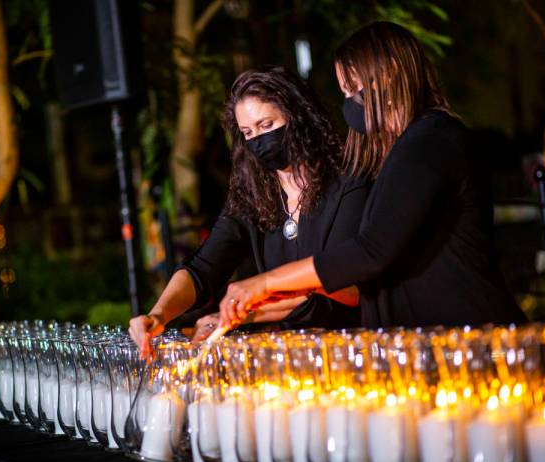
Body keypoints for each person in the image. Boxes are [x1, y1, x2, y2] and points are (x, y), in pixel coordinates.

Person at [217, 22, 525, 330]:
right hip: (431, 343)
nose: (350, 101)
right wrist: (256, 305)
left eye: (353, 88)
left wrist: (266, 283)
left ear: (389, 73)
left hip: (474, 340)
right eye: (345, 92)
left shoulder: (431, 141)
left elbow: (371, 251)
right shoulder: (403, 149)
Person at [129, 66, 369, 354]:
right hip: (295, 356)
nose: (259, 140)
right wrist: (159, 315)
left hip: (358, 349)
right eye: (248, 133)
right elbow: (203, 269)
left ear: (299, 117)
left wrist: (241, 311)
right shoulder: (254, 194)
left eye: (266, 126)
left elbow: (344, 285)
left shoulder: (348, 184)